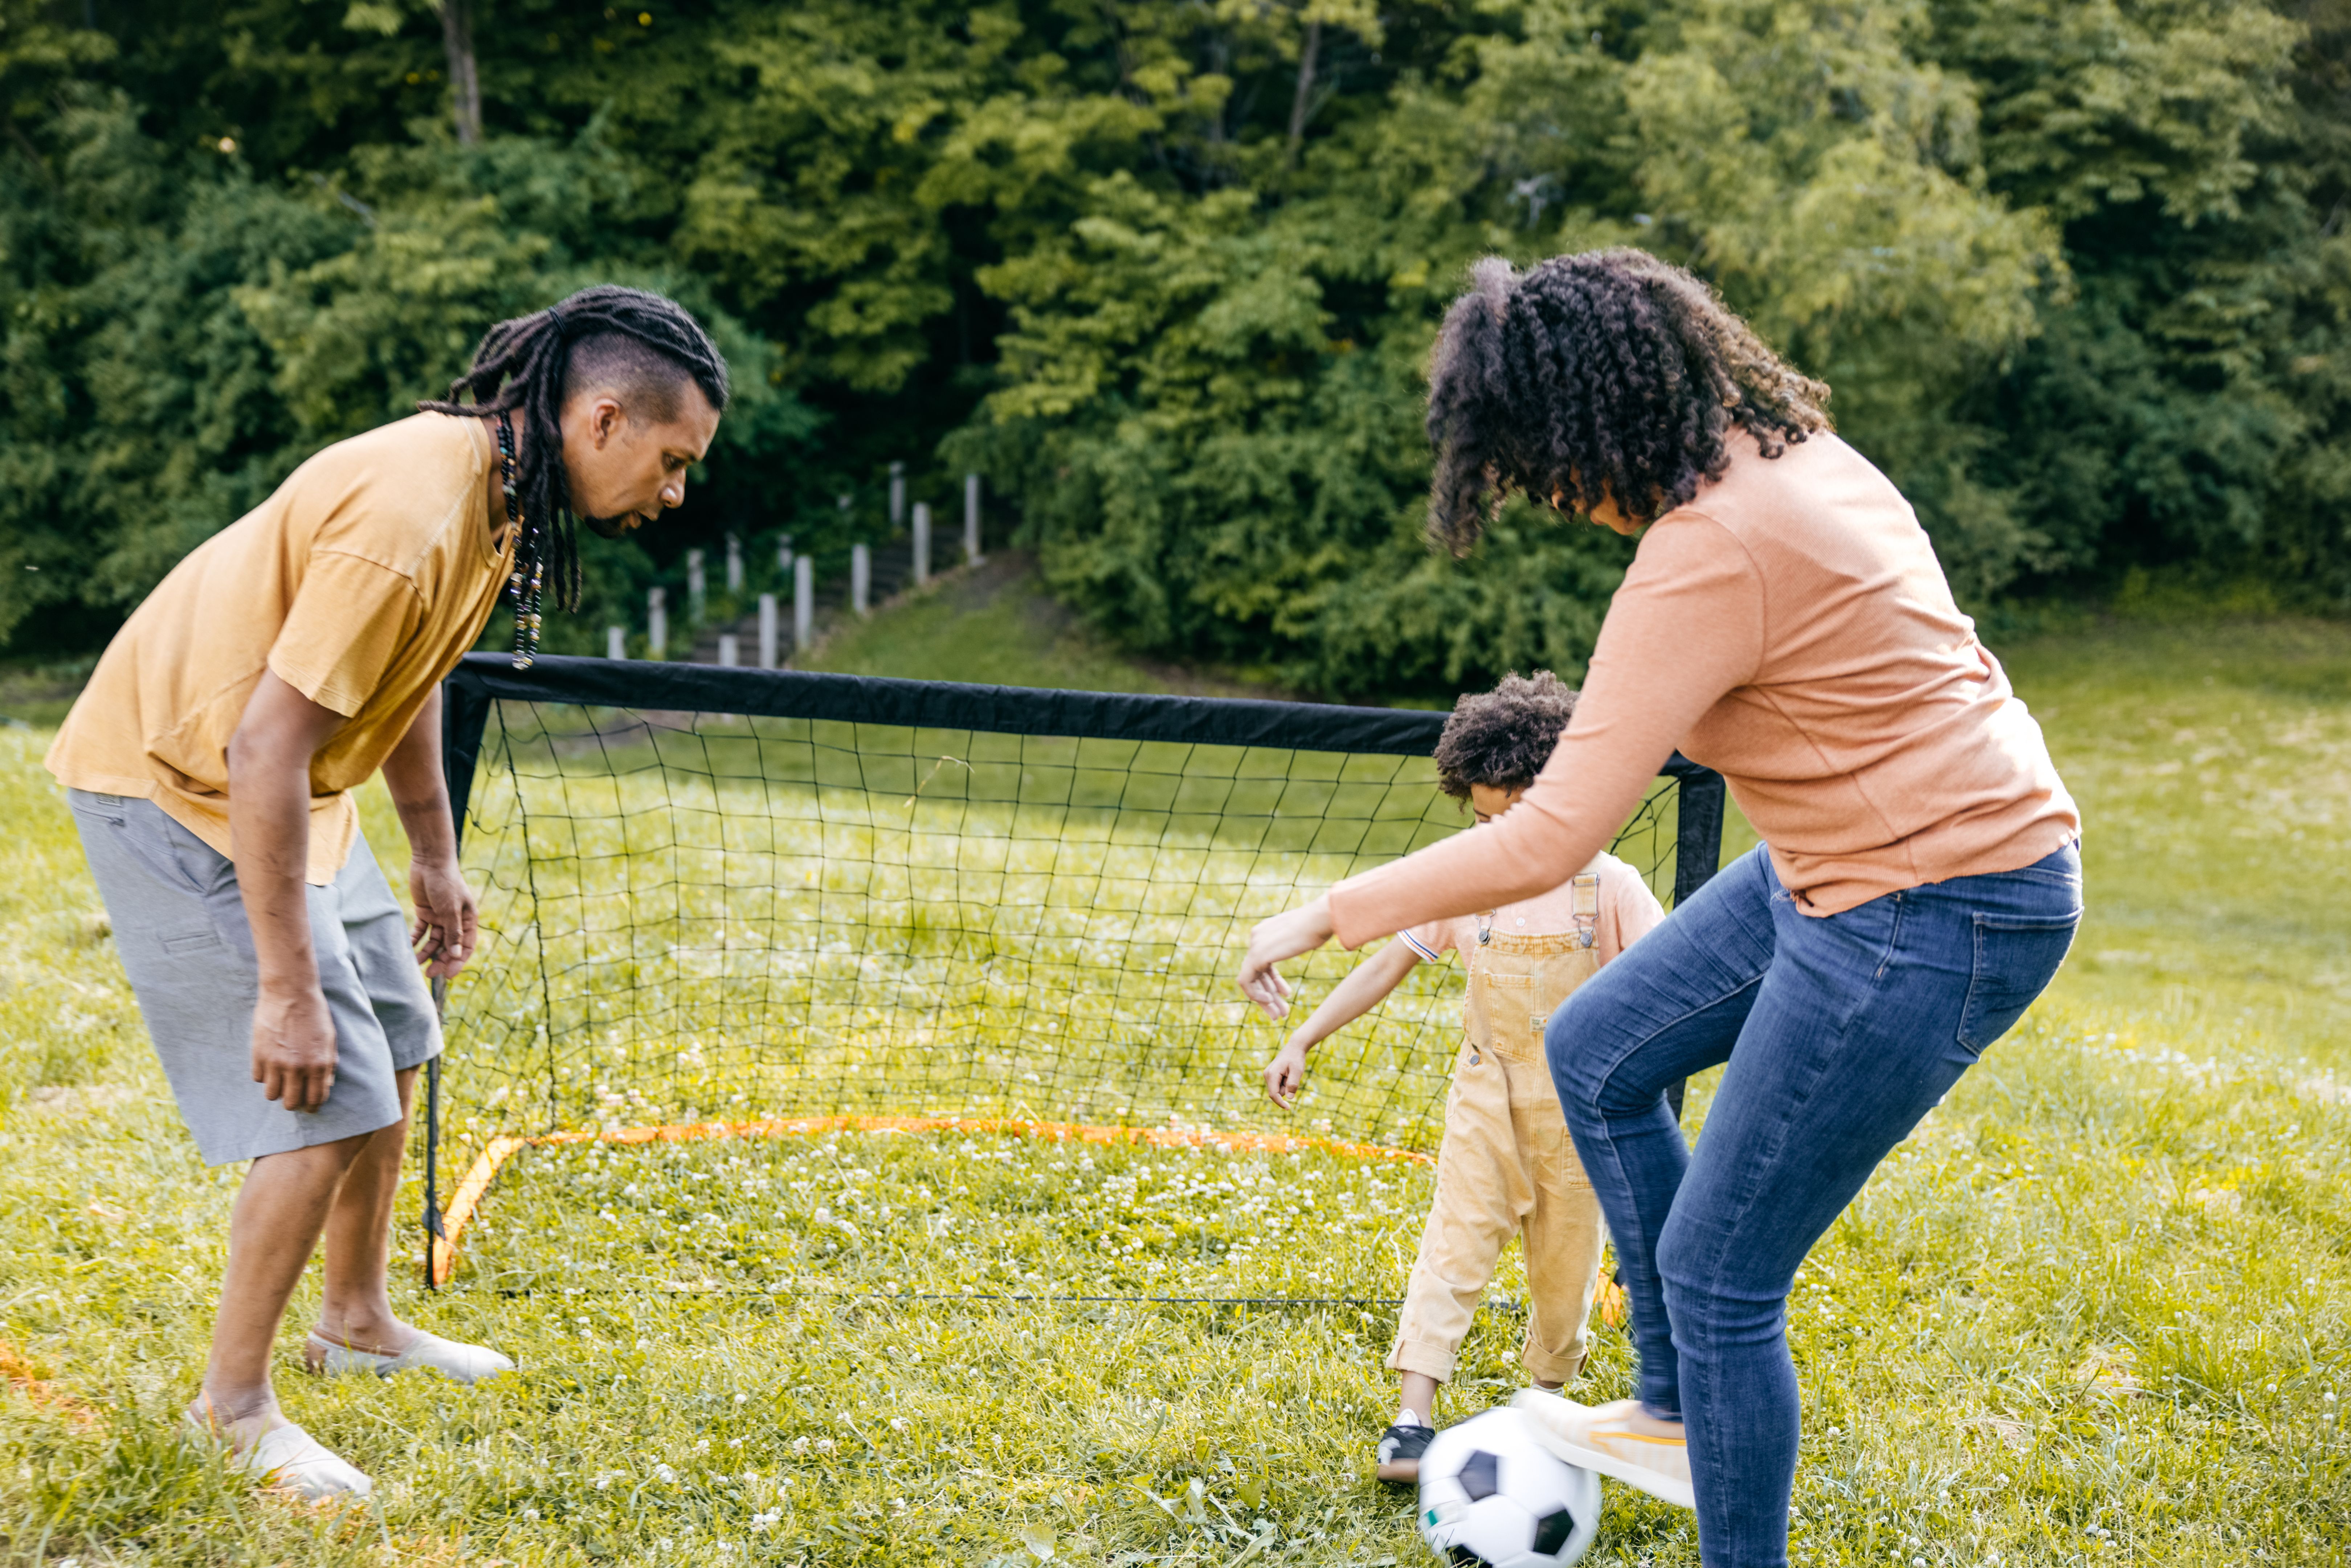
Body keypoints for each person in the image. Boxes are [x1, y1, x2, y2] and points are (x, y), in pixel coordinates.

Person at [1236, 251, 2081, 1567]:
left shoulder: (1709, 549)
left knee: (1719, 1273)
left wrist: (1330, 909)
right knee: (1598, 1050)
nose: (1553, 499)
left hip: (1937, 904)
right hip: (1862, 861)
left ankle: (1704, 1445)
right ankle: (1676, 1403)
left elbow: (1554, 836)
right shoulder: (1796, 458)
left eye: (1535, 465)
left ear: (1588, 429)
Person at [45, 286, 729, 1499]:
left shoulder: (502, 489)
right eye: (671, 462)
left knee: (400, 1036)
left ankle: (354, 1323)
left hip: (288, 782)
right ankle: (232, 1407)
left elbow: (409, 676)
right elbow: (260, 747)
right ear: (605, 420)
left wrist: (431, 853)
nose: (673, 492)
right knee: (329, 1091)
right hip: (181, 778)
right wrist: (288, 994)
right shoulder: (416, 510)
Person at [1262, 673, 1664, 1483]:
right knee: (1453, 1248)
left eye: (1513, 825)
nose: (1496, 845)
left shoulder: (1610, 888)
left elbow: (1661, 996)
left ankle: (1544, 1405)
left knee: (1563, 1277)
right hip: (1485, 1094)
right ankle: (1411, 1420)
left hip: (1576, 1116)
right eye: (1481, 825)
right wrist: (1304, 1035)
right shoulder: (1466, 882)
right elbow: (1386, 963)